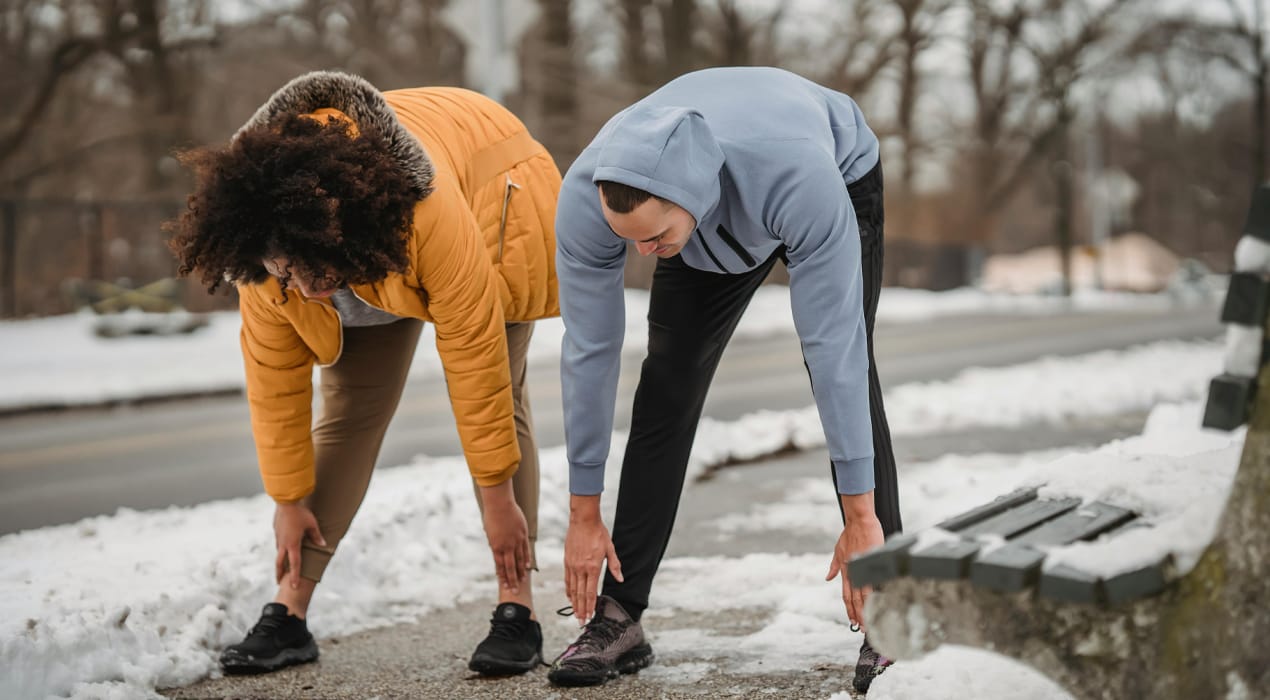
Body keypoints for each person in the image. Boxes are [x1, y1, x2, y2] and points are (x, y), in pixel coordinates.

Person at [168, 71, 561, 677]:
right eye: (284, 274)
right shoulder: (265, 251)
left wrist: (496, 497)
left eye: (306, 273)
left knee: (502, 397)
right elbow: (275, 383)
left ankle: (518, 610)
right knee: (350, 412)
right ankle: (289, 613)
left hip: (493, 190)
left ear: (340, 241)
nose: (299, 290)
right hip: (361, 241)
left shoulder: (425, 217)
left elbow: (473, 364)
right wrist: (288, 498)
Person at [549, 67, 903, 691]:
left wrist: (860, 517)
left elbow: (834, 352)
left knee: (853, 367)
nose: (641, 254)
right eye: (627, 238)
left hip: (831, 171)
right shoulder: (590, 195)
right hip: (712, 199)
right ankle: (620, 615)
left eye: (655, 237)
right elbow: (590, 350)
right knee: (667, 386)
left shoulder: (799, 181)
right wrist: (583, 511)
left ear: (696, 199)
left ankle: (892, 614)